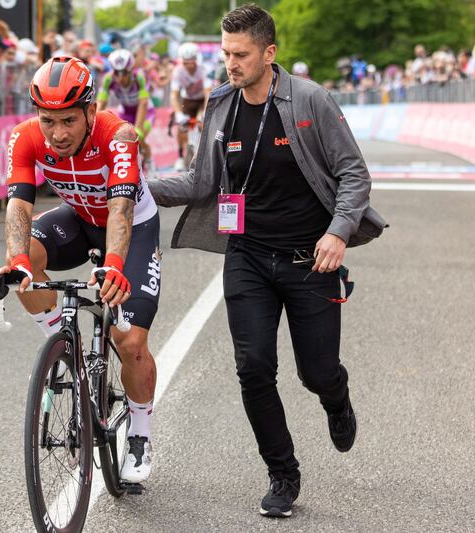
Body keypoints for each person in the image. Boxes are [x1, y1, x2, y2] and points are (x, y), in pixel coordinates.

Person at [148, 4, 387, 518]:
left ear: (269, 53)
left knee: (316, 372)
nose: (230, 65)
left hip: (311, 260)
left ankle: (336, 396)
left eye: (241, 55)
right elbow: (202, 183)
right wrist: (136, 190)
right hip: (249, 257)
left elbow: (354, 175)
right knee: (253, 367)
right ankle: (283, 472)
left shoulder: (311, 101)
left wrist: (337, 233)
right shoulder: (221, 105)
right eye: (226, 54)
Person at [0, 57, 161, 484]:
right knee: (20, 266)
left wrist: (115, 266)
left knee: (130, 342)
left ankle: (140, 432)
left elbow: (120, 210)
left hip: (132, 228)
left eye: (68, 120)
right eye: (48, 121)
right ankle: (67, 348)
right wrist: (18, 259)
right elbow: (19, 206)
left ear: (89, 110)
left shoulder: (117, 135)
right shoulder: (25, 138)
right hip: (78, 220)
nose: (58, 134)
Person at [97, 48, 156, 172]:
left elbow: (143, 102)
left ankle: (150, 163)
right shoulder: (108, 79)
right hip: (126, 112)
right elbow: (101, 102)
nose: (120, 78)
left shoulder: (139, 76)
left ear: (130, 70)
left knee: (139, 136)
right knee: (122, 139)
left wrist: (138, 128)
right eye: (116, 73)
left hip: (145, 112)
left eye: (124, 73)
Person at [169, 42, 210, 170]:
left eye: (191, 62)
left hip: (202, 101)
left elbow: (207, 93)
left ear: (196, 60)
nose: (189, 65)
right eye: (185, 62)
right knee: (182, 127)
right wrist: (178, 113)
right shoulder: (178, 72)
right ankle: (180, 157)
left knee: (202, 124)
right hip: (187, 100)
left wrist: (204, 114)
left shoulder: (203, 69)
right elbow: (174, 95)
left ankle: (207, 155)